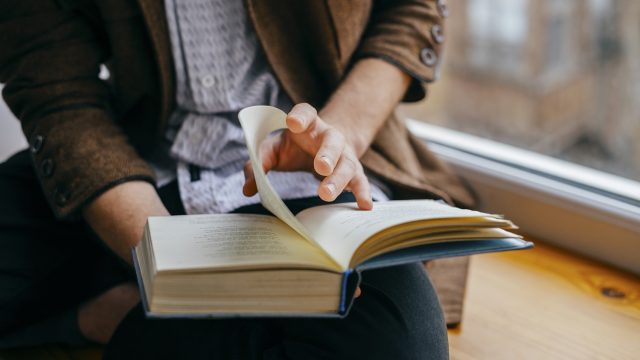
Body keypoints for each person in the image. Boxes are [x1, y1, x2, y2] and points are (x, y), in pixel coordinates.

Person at [0, 0, 473, 358]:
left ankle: (132, 316)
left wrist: (338, 134)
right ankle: (122, 314)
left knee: (397, 342)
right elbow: (55, 87)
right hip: (134, 171)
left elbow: (410, 10)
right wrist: (166, 264)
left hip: (309, 178)